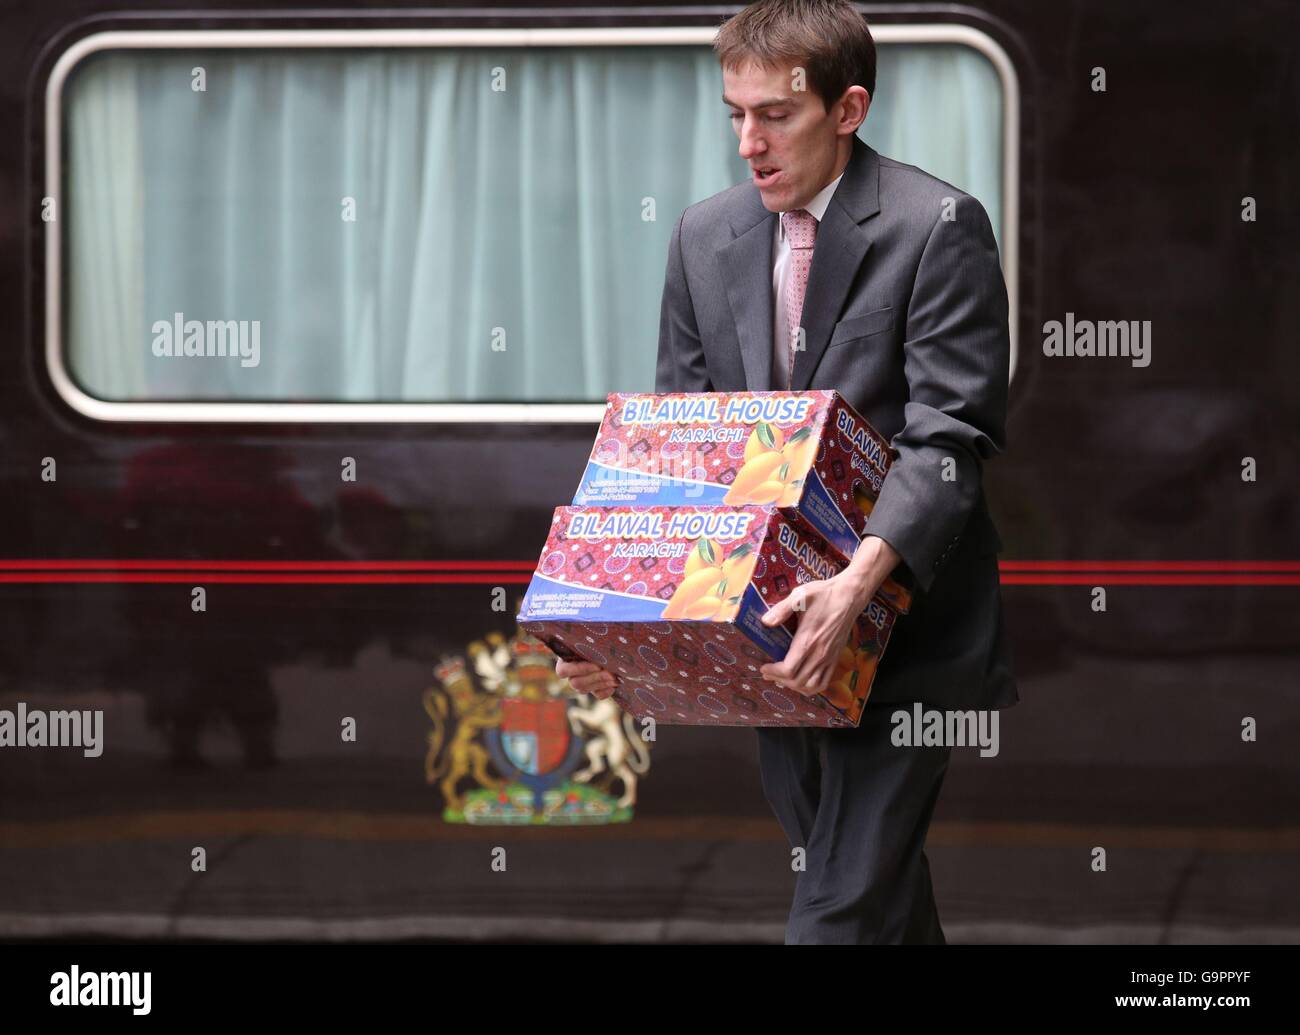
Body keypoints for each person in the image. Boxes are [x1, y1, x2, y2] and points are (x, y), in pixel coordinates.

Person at [556, 0, 1017, 943]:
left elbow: (948, 440)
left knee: (837, 912)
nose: (747, 143)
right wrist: (629, 641)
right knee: (876, 902)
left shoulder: (937, 226)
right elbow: (683, 457)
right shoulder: (700, 236)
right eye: (735, 113)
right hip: (773, 649)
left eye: (775, 115)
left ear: (848, 109)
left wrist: (853, 588)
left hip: (906, 642)